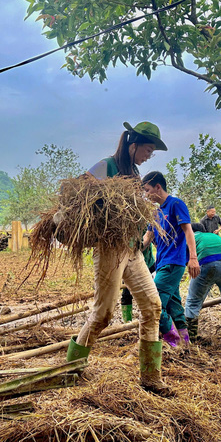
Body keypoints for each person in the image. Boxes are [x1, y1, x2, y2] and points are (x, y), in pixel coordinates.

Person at [66, 121, 172, 396]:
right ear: (132, 144)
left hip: (133, 250)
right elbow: (77, 191)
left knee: (153, 307)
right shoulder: (107, 166)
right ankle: (71, 369)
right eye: (147, 149)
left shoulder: (135, 174)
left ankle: (151, 378)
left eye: (151, 152)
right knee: (103, 314)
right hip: (111, 249)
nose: (149, 156)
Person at [142, 171, 200, 348]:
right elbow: (148, 236)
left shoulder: (175, 204)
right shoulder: (155, 212)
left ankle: (173, 342)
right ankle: (186, 343)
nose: (145, 194)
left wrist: (193, 258)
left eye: (147, 190)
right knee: (174, 304)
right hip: (162, 264)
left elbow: (188, 230)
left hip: (174, 262)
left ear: (158, 187)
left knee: (153, 304)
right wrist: (134, 247)